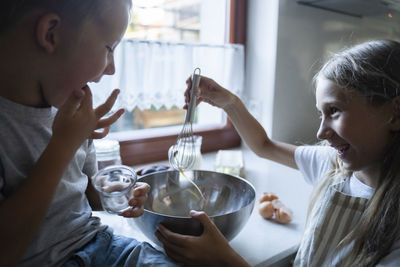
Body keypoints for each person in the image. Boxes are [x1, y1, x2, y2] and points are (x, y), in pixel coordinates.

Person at [156, 39, 400, 266]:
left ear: (394, 113)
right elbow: (264, 146)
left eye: (334, 111)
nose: (320, 133)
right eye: (320, 114)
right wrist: (229, 102)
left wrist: (225, 260)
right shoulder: (333, 165)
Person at [0, 0, 179, 266]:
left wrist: (119, 192)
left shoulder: (71, 110)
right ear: (51, 33)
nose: (111, 68)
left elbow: (88, 195)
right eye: (109, 48)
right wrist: (63, 145)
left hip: (99, 245)